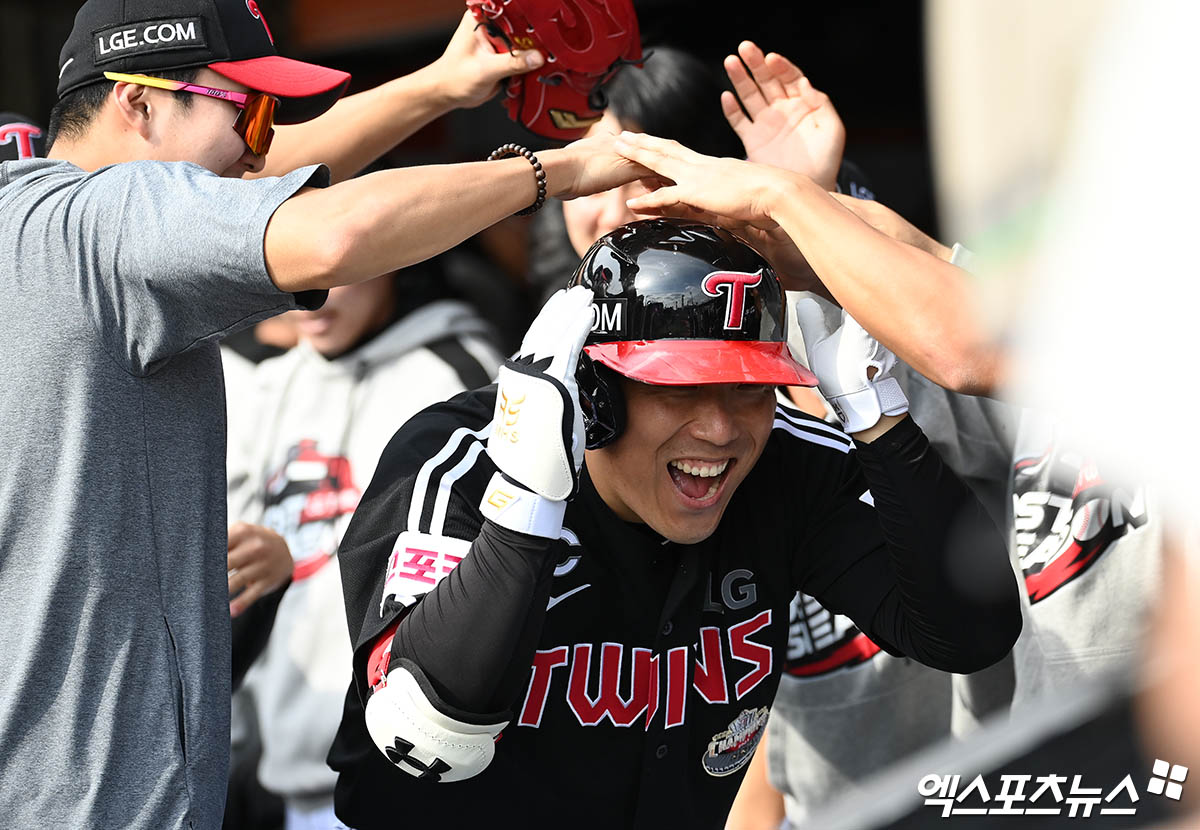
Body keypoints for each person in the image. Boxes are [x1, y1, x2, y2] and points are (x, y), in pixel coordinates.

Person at [0, 0, 643, 825]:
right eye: (252, 109)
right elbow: (333, 236)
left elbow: (255, 177)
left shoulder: (32, 211)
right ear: (136, 103)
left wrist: (440, 87)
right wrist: (561, 171)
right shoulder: (118, 218)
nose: (258, 147)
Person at [328, 217, 1020, 829]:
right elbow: (426, 737)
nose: (720, 428)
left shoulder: (787, 465)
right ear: (593, 390)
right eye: (679, 387)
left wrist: (882, 422)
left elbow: (967, 635)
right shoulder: (462, 461)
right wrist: (526, 507)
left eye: (749, 389)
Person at [227, 258, 502, 829]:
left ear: (396, 255)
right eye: (293, 261)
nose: (312, 291)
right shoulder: (272, 383)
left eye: (338, 266)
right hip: (289, 784)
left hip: (412, 778)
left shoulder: (459, 376)